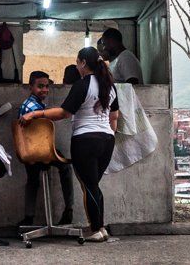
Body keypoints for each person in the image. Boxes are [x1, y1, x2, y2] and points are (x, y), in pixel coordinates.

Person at [19, 47, 119, 243]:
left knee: (89, 186)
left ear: (83, 63)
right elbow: (114, 117)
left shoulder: (83, 85)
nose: (76, 65)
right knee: (93, 186)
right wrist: (108, 136)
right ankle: (100, 228)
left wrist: (36, 114)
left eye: (77, 62)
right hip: (107, 140)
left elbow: (64, 113)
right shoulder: (110, 86)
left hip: (86, 141)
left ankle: (97, 229)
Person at [18, 71, 74, 228]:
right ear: (31, 87)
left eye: (46, 86)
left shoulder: (28, 104)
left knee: (32, 180)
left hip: (28, 151)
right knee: (66, 168)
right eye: (40, 86)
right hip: (40, 150)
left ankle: (29, 217)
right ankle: (69, 209)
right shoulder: (33, 107)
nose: (44, 90)